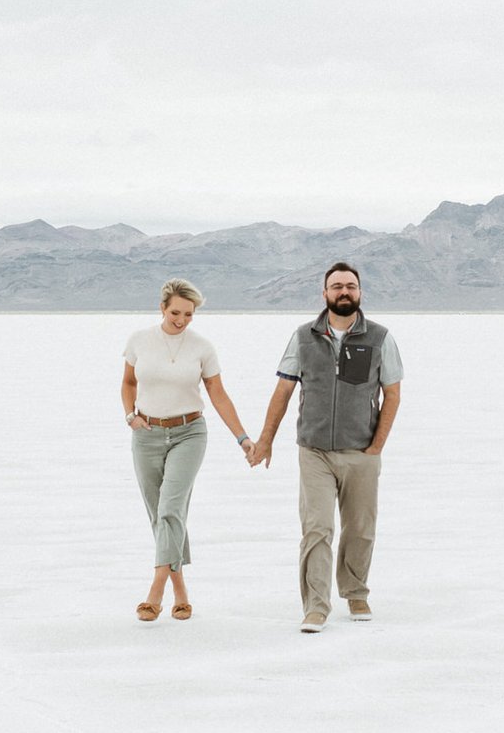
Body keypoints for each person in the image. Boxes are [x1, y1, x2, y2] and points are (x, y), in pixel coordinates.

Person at [248, 261, 402, 632]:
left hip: (361, 451)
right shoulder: (303, 337)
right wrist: (265, 440)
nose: (344, 291)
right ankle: (316, 606)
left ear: (360, 293)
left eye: (350, 286)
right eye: (336, 286)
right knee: (316, 528)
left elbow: (392, 394)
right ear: (325, 294)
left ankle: (356, 592)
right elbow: (283, 390)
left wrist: (376, 446)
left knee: (359, 528)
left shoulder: (380, 338)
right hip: (314, 450)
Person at [122, 279, 251, 622]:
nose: (181, 320)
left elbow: (218, 394)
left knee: (170, 508)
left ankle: (155, 591)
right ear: (162, 308)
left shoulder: (202, 347)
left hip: (189, 433)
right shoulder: (139, 341)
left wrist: (242, 438)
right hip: (146, 434)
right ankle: (182, 593)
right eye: (176, 312)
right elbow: (129, 382)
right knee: (161, 516)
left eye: (189, 314)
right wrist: (130, 416)